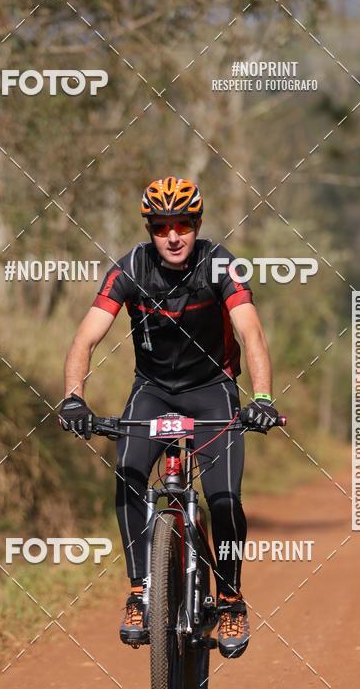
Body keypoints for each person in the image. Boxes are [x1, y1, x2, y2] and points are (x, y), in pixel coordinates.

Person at [59, 176, 278, 659]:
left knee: (223, 498)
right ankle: (140, 591)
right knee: (128, 477)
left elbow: (251, 334)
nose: (173, 236)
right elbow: (85, 338)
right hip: (154, 392)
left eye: (183, 225)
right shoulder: (130, 269)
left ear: (197, 225)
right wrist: (74, 398)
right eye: (162, 227)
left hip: (212, 391)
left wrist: (260, 397)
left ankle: (231, 598)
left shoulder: (221, 264)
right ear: (150, 230)